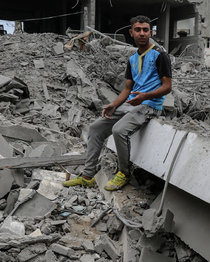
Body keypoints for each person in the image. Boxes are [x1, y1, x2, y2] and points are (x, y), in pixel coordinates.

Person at [63, 15, 172, 191]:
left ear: (150, 32)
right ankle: (87, 176)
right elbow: (127, 89)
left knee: (119, 130)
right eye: (138, 30)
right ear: (131, 33)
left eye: (145, 30)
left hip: (150, 105)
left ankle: (124, 173)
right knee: (96, 128)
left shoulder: (160, 55)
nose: (142, 33)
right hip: (131, 103)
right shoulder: (132, 59)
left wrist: (144, 97)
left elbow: (167, 87)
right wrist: (114, 104)